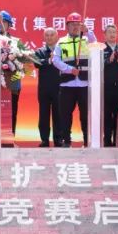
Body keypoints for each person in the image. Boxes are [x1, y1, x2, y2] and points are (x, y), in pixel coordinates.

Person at [51, 12, 96, 147]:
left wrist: (87, 31)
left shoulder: (86, 40)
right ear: (67, 26)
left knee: (85, 115)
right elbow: (55, 60)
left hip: (84, 84)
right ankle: (66, 140)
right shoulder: (61, 41)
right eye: (72, 24)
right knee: (65, 115)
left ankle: (87, 140)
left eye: (78, 24)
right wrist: (69, 69)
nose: (75, 27)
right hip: (67, 84)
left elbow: (96, 45)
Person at [0, 10, 24, 135]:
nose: (0, 24)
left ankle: (10, 137)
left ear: (9, 24)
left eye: (3, 22)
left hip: (12, 81)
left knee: (11, 111)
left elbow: (22, 63)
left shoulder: (16, 42)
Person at [33, 28, 61, 147]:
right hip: (44, 89)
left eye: (52, 35)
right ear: (44, 37)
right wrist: (49, 60)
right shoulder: (39, 51)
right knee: (43, 115)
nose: (49, 37)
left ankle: (58, 139)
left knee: (58, 114)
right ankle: (44, 139)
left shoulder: (61, 50)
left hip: (59, 87)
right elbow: (37, 63)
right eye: (47, 35)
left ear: (57, 36)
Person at [102, 24, 118, 147]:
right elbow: (97, 65)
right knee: (107, 114)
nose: (112, 34)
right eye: (109, 32)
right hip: (106, 87)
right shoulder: (101, 49)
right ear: (104, 35)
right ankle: (107, 140)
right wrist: (108, 60)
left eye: (114, 32)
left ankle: (117, 140)